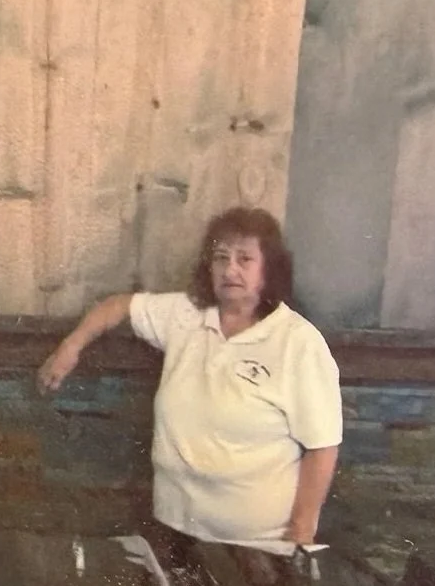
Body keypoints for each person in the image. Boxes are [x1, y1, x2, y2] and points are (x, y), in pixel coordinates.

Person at [37, 206, 342, 555]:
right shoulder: (186, 315)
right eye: (221, 257)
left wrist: (301, 534)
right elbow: (119, 306)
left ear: (269, 269)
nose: (230, 269)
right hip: (174, 528)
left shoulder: (298, 342)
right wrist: (71, 345)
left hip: (258, 544)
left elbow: (322, 447)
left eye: (245, 259)